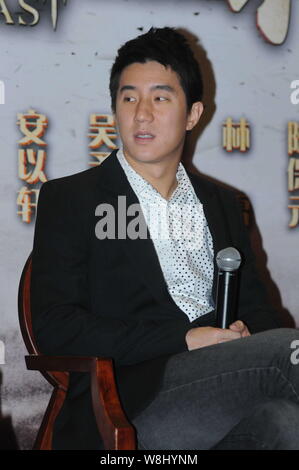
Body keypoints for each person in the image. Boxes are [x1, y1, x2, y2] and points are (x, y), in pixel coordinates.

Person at [30, 27, 299, 450]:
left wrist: (244, 333)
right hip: (128, 404)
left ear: (192, 114)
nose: (141, 114)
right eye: (128, 97)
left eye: (160, 97)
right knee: (290, 354)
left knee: (286, 424)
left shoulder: (224, 204)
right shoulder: (73, 199)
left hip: (228, 392)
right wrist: (186, 338)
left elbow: (261, 311)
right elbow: (56, 327)